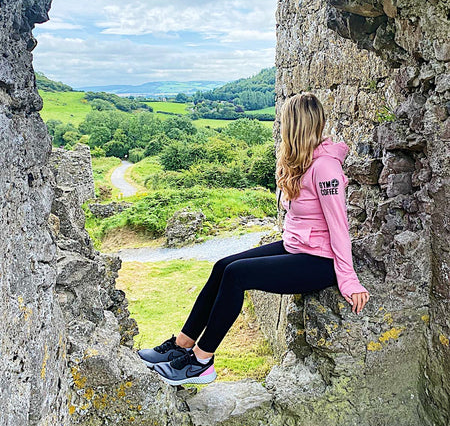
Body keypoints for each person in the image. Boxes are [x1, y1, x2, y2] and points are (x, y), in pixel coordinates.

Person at [138, 92, 370, 386]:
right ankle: (182, 344)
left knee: (236, 275)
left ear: (293, 126)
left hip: (320, 261)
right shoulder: (303, 161)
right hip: (296, 248)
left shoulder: (326, 168)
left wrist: (348, 279)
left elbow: (339, 226)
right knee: (223, 265)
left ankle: (201, 361)